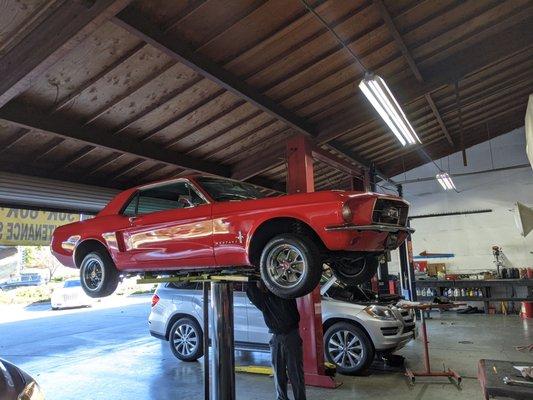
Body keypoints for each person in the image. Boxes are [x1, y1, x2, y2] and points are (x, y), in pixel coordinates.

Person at [246, 281, 306, 400]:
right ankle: (281, 398)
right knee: (279, 373)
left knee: (295, 372)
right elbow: (251, 291)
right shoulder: (264, 300)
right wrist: (251, 277)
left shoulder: (284, 292)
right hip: (277, 337)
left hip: (291, 335)